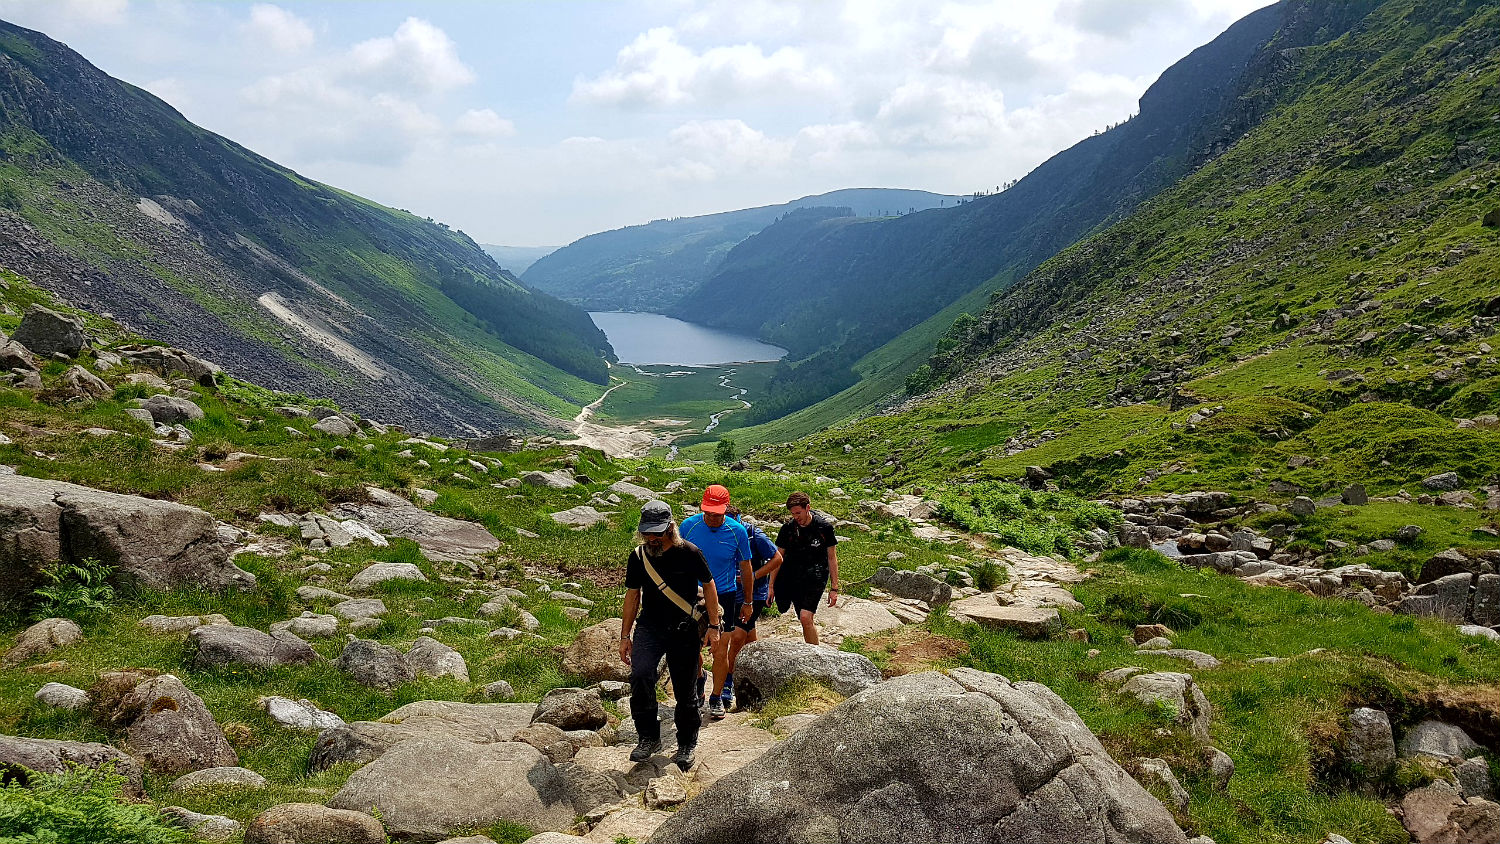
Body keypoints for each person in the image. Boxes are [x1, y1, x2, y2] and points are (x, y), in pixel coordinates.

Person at [619, 500, 721, 769]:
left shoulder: (690, 552)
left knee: (685, 691)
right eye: (647, 532)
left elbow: (709, 587)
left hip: (683, 629)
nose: (652, 537)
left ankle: (687, 742)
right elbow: (632, 596)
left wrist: (713, 626)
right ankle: (648, 737)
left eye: (657, 531)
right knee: (640, 676)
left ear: (670, 528)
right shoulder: (639, 556)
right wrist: (624, 636)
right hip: (649, 627)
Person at [678, 484, 753, 720]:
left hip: (726, 595)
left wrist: (748, 601)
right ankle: (699, 677)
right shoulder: (689, 527)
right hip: (693, 595)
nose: (711, 517)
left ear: (726, 509)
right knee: (691, 649)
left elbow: (746, 567)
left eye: (717, 513)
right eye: (708, 512)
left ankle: (716, 697)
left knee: (720, 650)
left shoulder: (737, 531)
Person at [722, 504, 781, 708]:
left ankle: (727, 683)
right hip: (730, 591)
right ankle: (756, 672)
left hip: (754, 593)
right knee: (748, 637)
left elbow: (777, 558)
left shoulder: (754, 535)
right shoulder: (718, 532)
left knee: (737, 636)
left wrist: (753, 576)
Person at [773, 491, 839, 645]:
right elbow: (777, 558)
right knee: (802, 618)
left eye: (798, 513)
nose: (796, 517)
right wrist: (770, 586)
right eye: (793, 514)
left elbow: (832, 557)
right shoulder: (788, 529)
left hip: (817, 575)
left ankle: (816, 655)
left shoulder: (824, 528)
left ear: (807, 507)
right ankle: (812, 649)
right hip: (794, 575)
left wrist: (834, 588)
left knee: (805, 617)